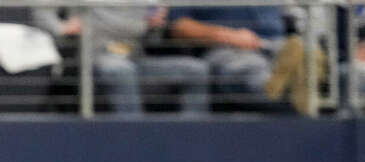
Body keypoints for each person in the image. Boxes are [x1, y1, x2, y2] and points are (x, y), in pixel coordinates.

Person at [32, 5, 210, 115]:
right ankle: (134, 137)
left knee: (196, 70)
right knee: (121, 70)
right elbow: (42, 12)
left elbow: (153, 38)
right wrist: (62, 28)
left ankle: (192, 140)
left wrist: (156, 25)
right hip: (94, 58)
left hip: (135, 58)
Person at [167, 5, 287, 106]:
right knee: (252, 67)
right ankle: (282, 90)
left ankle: (291, 87)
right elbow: (179, 26)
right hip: (224, 48)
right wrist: (229, 36)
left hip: (277, 45)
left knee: (300, 57)